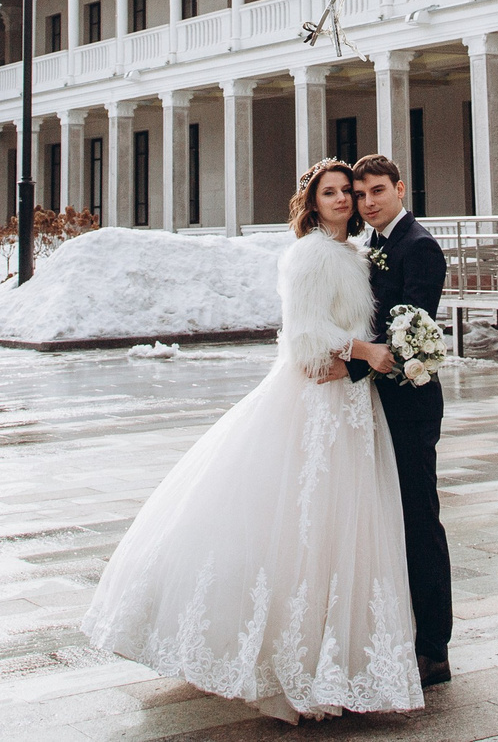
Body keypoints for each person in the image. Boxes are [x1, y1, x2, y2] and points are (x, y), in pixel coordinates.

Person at [79, 160, 422, 723]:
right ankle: (288, 659)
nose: (343, 200)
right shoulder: (309, 256)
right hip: (316, 405)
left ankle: (333, 655)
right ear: (311, 203)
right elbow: (305, 333)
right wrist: (364, 354)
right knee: (300, 522)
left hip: (351, 405)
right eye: (330, 192)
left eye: (349, 192)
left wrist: (362, 359)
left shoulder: (355, 254)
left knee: (341, 526)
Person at [336, 153, 453, 688]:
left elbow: (412, 329)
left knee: (419, 521)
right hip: (376, 400)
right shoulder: (374, 245)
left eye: (377, 191)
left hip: (409, 404)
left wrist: (352, 353)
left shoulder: (419, 246)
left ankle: (434, 648)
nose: (368, 202)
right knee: (388, 522)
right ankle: (400, 635)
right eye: (361, 195)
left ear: (400, 189)